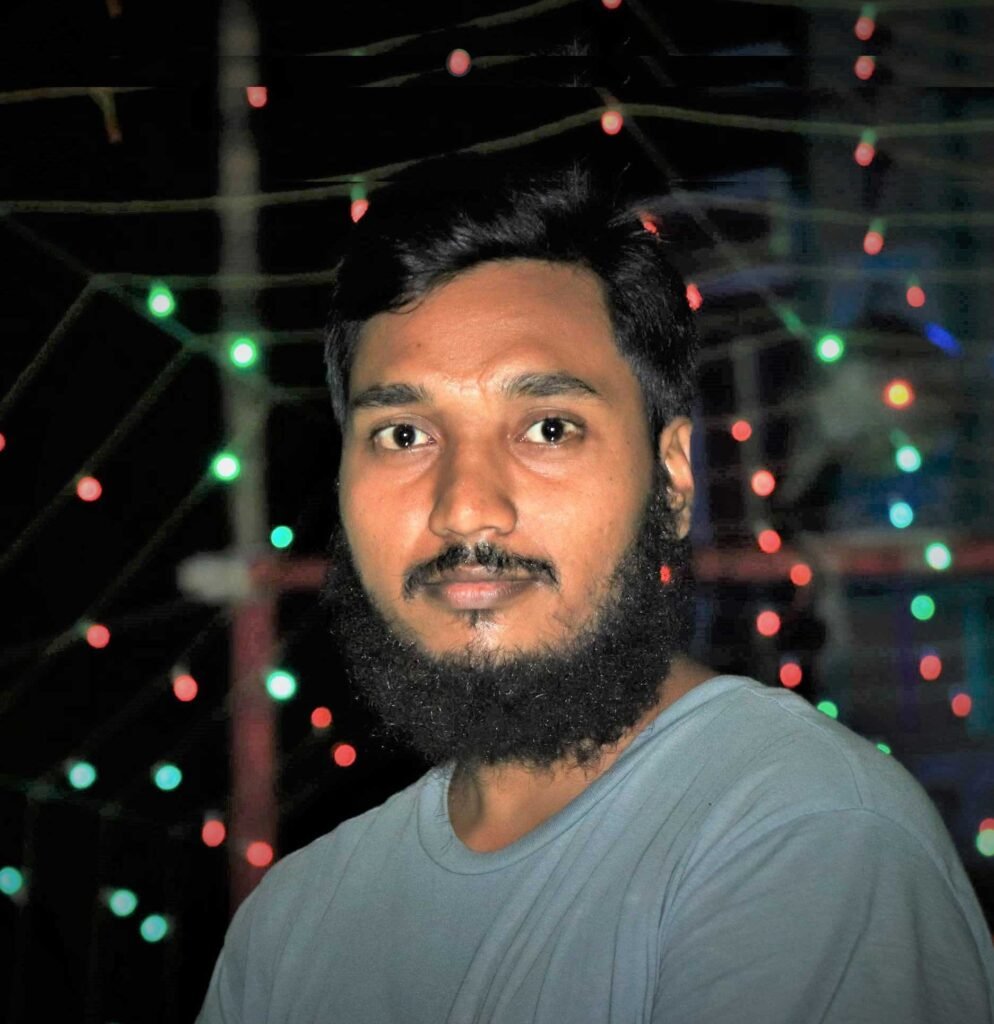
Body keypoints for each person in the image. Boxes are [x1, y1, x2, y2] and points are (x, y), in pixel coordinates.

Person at [197, 164, 994, 1023]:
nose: (464, 506)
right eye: (402, 434)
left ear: (673, 478)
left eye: (549, 428)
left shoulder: (802, 834)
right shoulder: (290, 924)